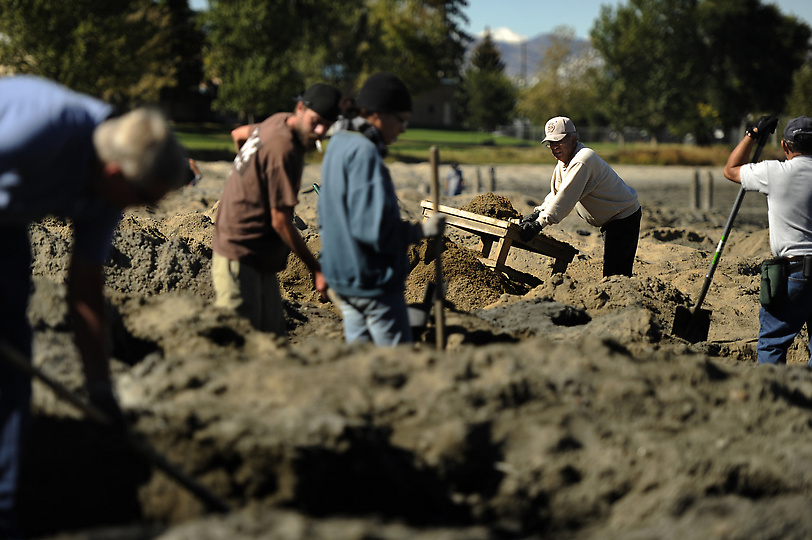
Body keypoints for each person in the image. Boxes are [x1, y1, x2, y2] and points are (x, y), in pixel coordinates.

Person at [0, 75, 189, 539]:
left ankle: (2, 512)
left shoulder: (107, 194)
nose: (142, 210)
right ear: (113, 174)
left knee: (11, 368)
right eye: (145, 200)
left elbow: (84, 292)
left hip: (8, 226)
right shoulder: (42, 129)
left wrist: (100, 389)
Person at [318, 72, 445, 346]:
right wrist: (422, 230)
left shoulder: (338, 143)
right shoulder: (365, 154)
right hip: (371, 280)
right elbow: (374, 231)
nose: (403, 129)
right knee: (392, 364)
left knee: (363, 360)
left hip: (342, 275)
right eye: (401, 120)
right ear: (378, 115)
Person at [211, 83, 342, 335]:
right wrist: (316, 269)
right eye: (316, 122)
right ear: (301, 108)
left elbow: (238, 134)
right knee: (239, 339)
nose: (320, 131)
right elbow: (280, 221)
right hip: (239, 252)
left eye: (327, 125)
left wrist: (249, 179)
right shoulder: (284, 149)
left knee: (272, 335)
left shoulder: (279, 120)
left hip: (261, 256)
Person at [723, 114, 812, 365]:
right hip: (797, 271)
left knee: (773, 344)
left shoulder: (774, 171)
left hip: (793, 273)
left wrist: (752, 134)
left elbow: (730, 170)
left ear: (785, 146)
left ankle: (773, 398)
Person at [521, 116, 642, 277]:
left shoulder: (582, 160)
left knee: (616, 274)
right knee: (614, 271)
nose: (554, 147)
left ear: (573, 139)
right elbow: (557, 192)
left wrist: (539, 223)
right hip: (613, 219)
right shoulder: (565, 161)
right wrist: (538, 212)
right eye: (551, 143)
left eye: (559, 142)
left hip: (623, 217)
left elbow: (565, 197)